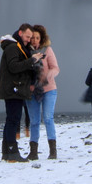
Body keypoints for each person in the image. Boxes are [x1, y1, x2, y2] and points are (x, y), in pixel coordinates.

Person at [0, 25, 36, 162]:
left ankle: (7, 153)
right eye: (27, 37)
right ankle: (12, 153)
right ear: (20, 33)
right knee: (13, 120)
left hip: (14, 88)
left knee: (11, 120)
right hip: (13, 89)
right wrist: (32, 60)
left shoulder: (17, 47)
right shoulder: (13, 47)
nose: (28, 40)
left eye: (30, 38)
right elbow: (14, 67)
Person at [27, 24, 60, 160]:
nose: (34, 40)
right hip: (32, 91)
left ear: (41, 39)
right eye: (32, 38)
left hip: (48, 89)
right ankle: (33, 152)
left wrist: (49, 75)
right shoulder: (26, 53)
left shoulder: (47, 50)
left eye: (37, 37)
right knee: (34, 121)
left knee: (48, 118)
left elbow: (55, 68)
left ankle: (53, 151)